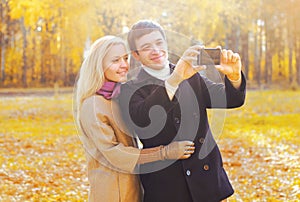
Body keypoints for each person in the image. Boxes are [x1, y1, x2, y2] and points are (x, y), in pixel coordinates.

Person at [117, 20, 246, 202]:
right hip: (166, 188)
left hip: (208, 184)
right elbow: (143, 120)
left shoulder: (192, 77)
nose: (156, 50)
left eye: (159, 43)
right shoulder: (129, 90)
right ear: (136, 55)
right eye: (146, 47)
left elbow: (232, 99)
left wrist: (234, 76)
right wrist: (174, 79)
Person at [74, 35, 195, 202]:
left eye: (125, 58)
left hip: (133, 190)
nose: (124, 65)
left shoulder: (117, 98)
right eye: (115, 60)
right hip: (112, 194)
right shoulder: (93, 105)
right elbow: (116, 154)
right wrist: (165, 153)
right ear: (98, 65)